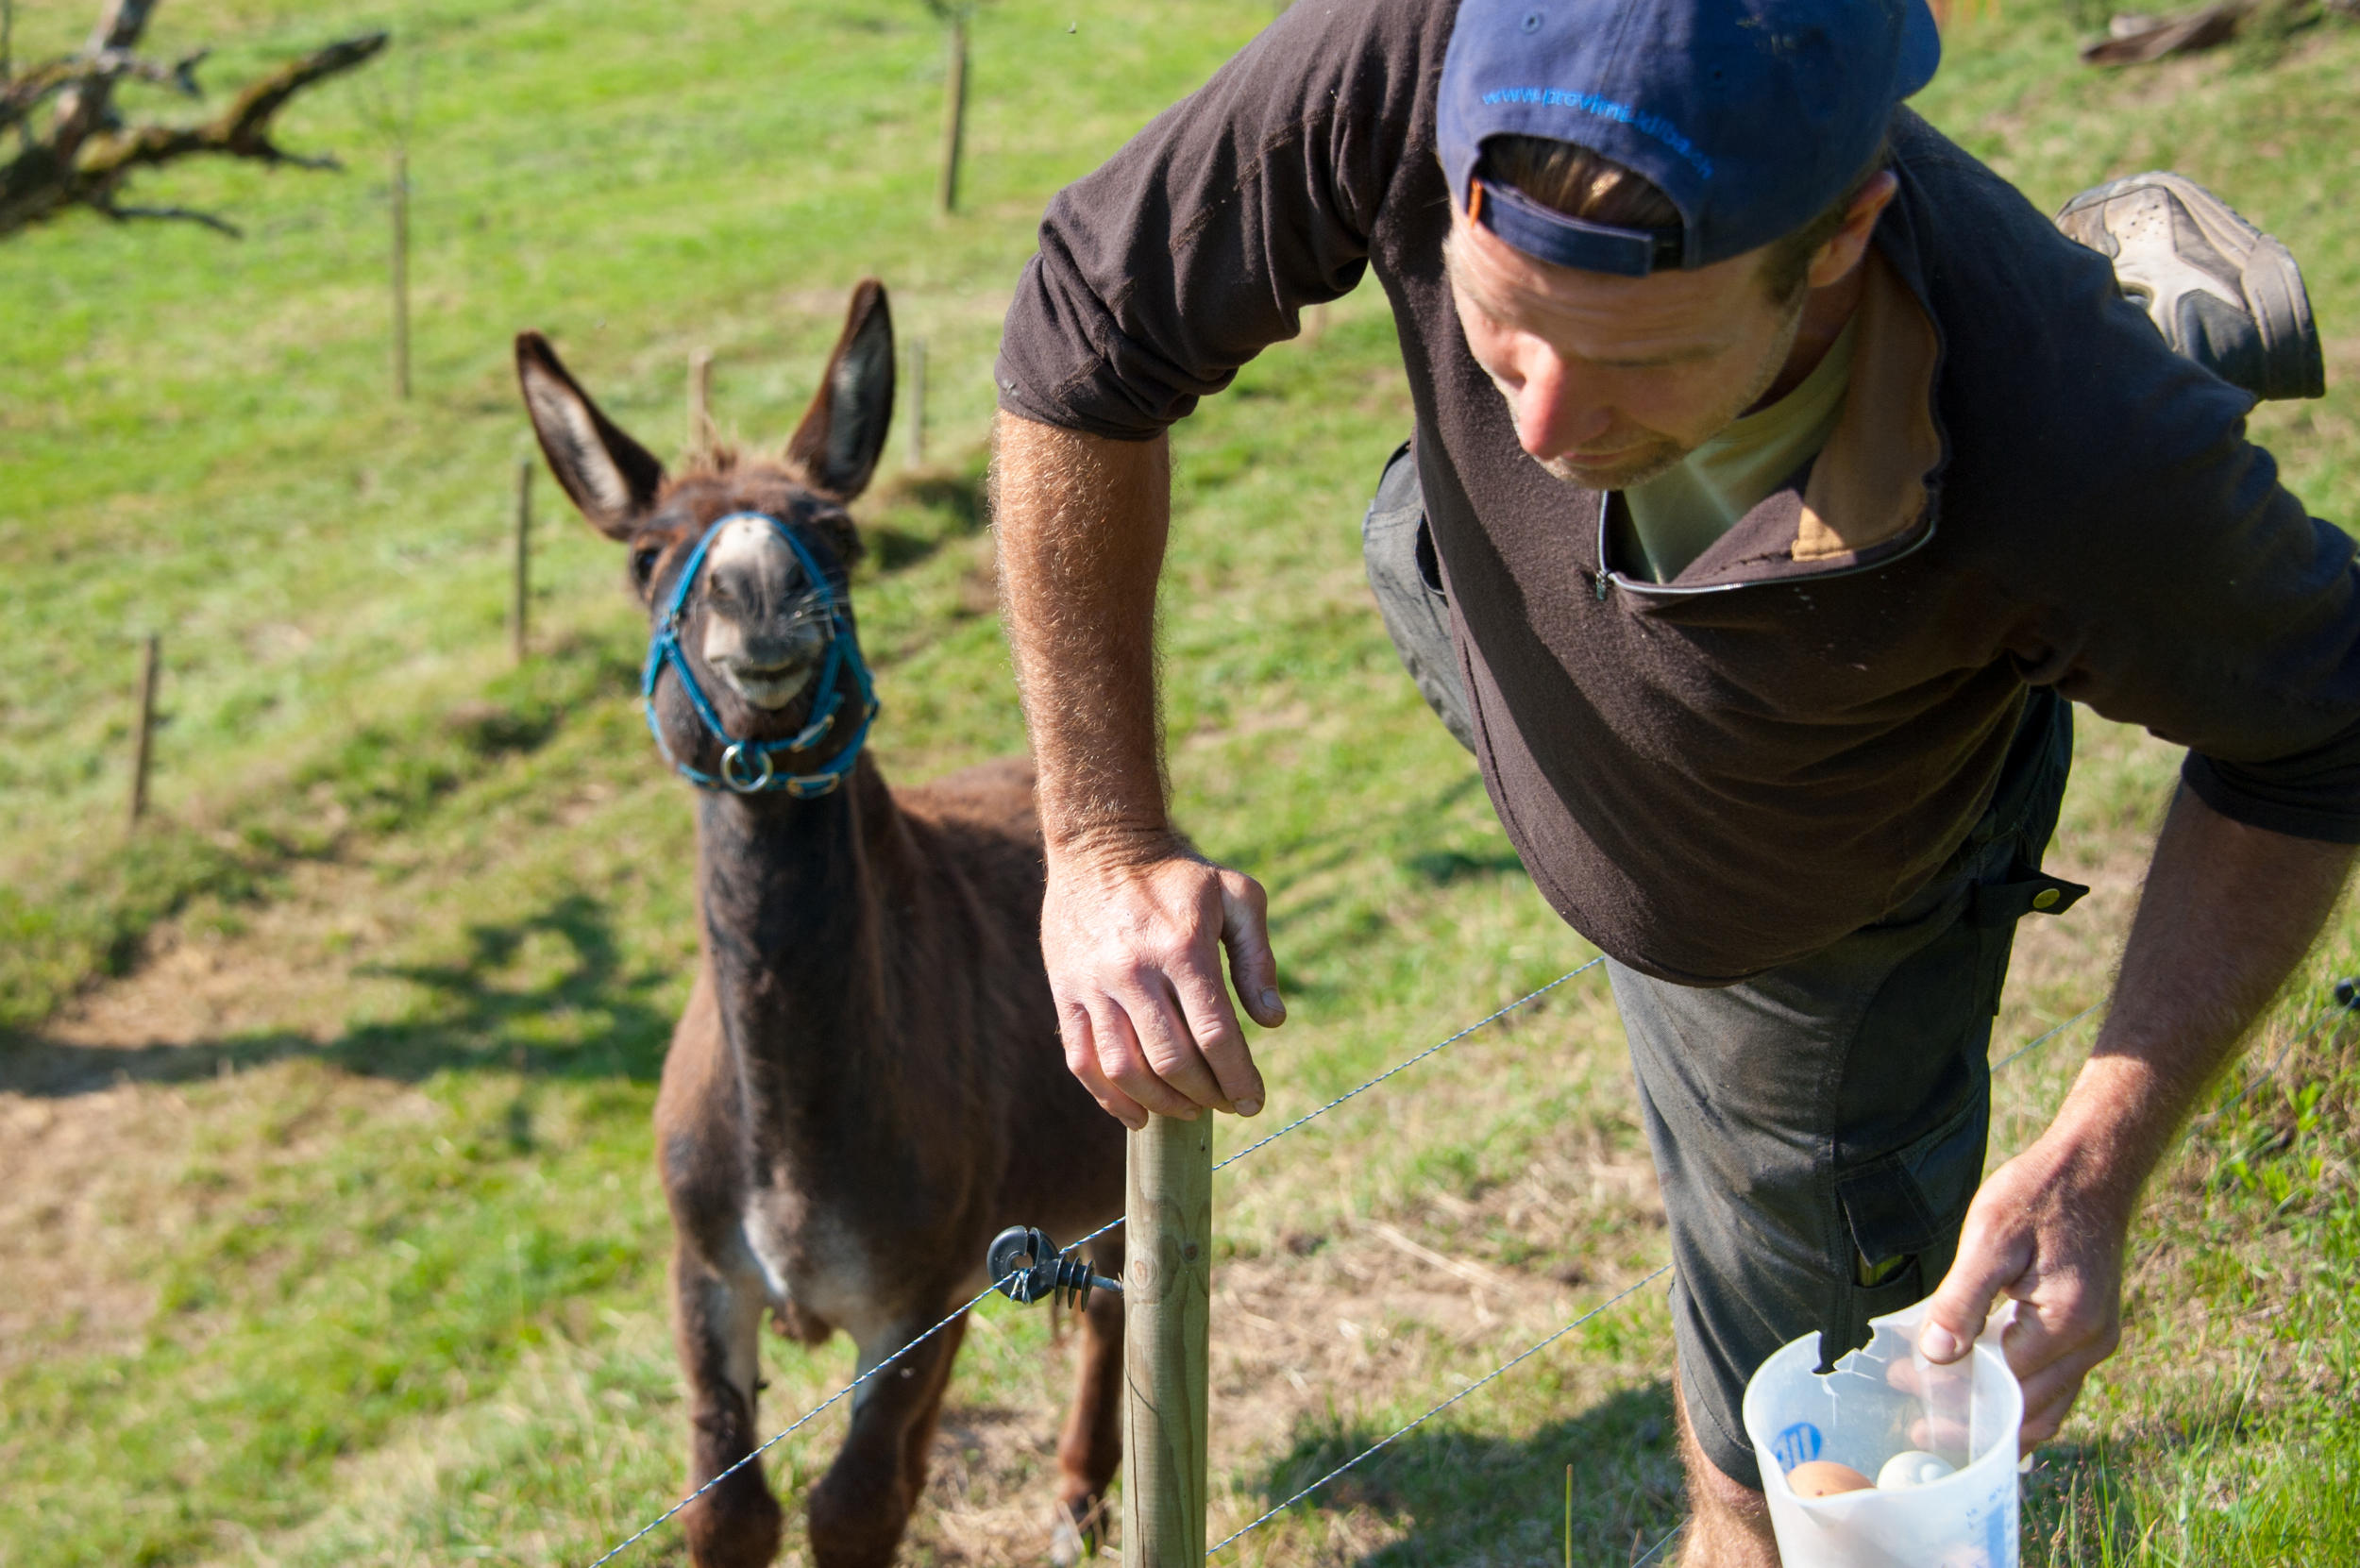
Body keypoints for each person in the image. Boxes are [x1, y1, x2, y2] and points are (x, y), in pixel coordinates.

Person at [986, 1, 2353, 1560]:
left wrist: (2099, 1158)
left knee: (1784, 1486)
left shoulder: (2062, 441)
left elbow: (2321, 732)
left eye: (1640, 364)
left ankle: (2140, 336)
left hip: (1811, 920)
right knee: (1427, 522)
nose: (1548, 424)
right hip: (1478, 594)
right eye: (1502, 328)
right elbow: (1088, 322)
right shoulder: (1424, 51)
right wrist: (1098, 840)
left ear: (1842, 237)